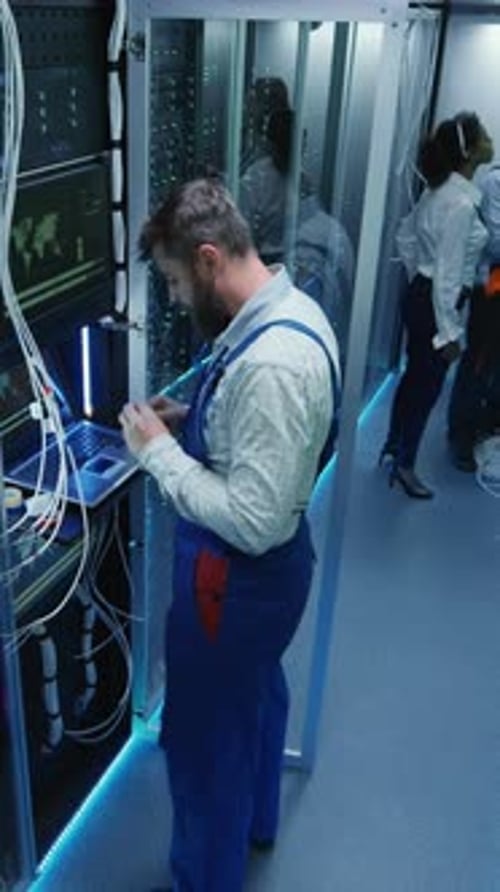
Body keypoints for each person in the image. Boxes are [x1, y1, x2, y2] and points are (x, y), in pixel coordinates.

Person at [118, 178, 340, 892]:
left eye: (180, 283)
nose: (179, 301)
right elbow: (265, 446)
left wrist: (158, 453)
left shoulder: (271, 364)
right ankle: (257, 826)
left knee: (205, 749)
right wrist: (198, 421)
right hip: (273, 582)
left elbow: (253, 520)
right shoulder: (286, 307)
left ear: (211, 259)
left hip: (236, 587)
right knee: (254, 701)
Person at [380, 111, 494, 498]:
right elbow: (448, 274)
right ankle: (406, 465)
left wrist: (419, 278)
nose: (490, 140)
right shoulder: (461, 203)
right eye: (483, 135)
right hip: (437, 304)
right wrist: (449, 332)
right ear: (470, 150)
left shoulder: (438, 191)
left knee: (413, 378)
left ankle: (394, 447)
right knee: (426, 388)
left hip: (421, 297)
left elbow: (405, 238)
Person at [447, 163, 500, 469]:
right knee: (479, 360)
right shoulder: (494, 181)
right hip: (492, 287)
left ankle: (487, 423)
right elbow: (494, 240)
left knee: (496, 362)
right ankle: (461, 434)